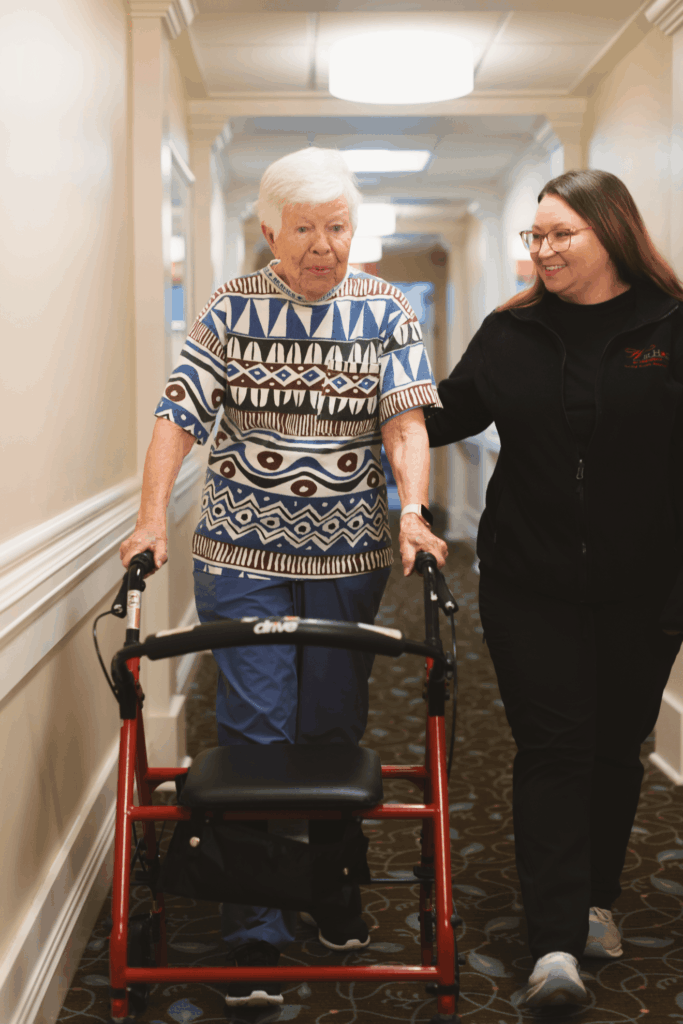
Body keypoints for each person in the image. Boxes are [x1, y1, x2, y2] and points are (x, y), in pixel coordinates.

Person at [120, 146, 447, 1009]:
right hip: (240, 551)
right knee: (257, 732)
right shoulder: (230, 307)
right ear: (269, 232)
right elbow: (177, 416)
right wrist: (150, 520)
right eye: (303, 229)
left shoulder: (384, 311)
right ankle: (254, 923)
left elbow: (405, 425)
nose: (322, 246)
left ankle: (333, 887)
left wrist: (413, 510)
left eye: (337, 227)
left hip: (347, 553)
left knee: (332, 727)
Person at [425, 169, 683, 1010]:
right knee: (552, 748)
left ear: (612, 233)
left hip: (643, 587)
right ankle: (553, 945)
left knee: (614, 747)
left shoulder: (669, 326)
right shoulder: (511, 332)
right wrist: (354, 400)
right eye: (533, 236)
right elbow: (446, 412)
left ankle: (594, 899)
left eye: (559, 234)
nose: (541, 250)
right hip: (527, 581)